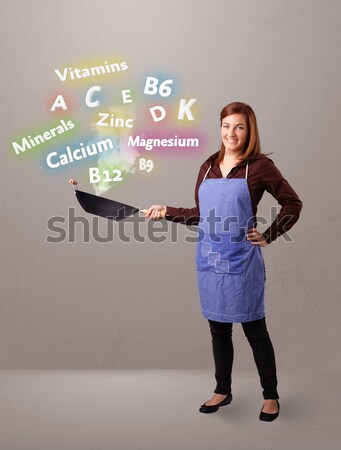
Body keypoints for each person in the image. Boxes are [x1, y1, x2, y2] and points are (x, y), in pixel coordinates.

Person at [144, 101, 303, 422]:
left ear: (250, 130)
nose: (232, 133)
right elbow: (200, 214)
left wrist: (270, 234)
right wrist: (166, 211)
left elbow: (292, 203)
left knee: (255, 330)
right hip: (210, 259)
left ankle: (270, 395)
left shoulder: (259, 167)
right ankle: (223, 390)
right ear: (220, 128)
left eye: (239, 127)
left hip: (242, 261)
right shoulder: (207, 166)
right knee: (218, 330)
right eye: (227, 126)